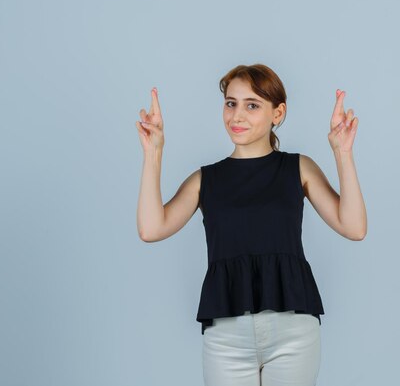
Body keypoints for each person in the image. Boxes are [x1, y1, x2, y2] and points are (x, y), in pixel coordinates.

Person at [135, 64, 367, 386]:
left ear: (278, 113)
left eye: (252, 105)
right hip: (226, 336)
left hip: (293, 330)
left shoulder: (298, 168)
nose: (237, 116)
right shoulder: (206, 179)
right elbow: (151, 228)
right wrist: (153, 152)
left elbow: (354, 227)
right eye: (231, 103)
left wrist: (343, 153)